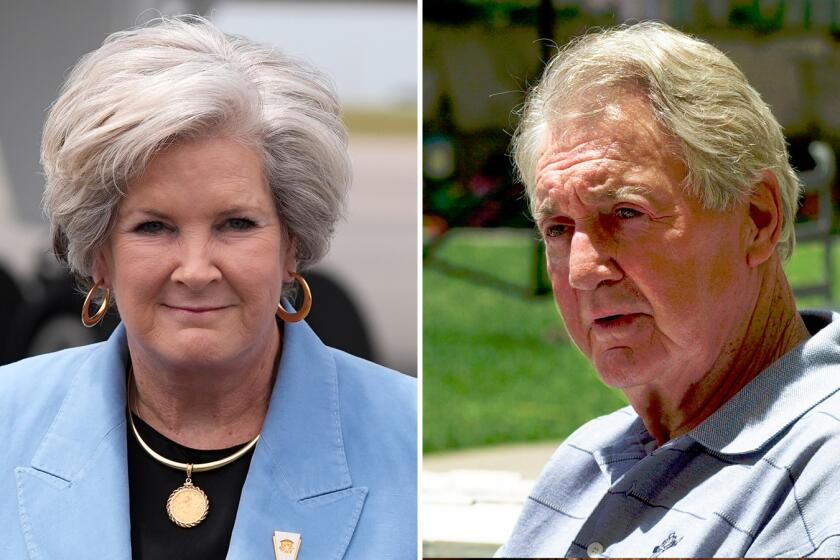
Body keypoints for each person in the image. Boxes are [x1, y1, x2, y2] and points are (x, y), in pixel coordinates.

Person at [0, 16, 416, 560]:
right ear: (100, 256)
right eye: (153, 227)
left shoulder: (409, 436)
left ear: (293, 245)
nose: (196, 270)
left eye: (236, 224)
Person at [497, 22, 840, 558]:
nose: (583, 269)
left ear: (757, 218)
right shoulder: (587, 457)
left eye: (625, 212)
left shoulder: (820, 475)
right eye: (559, 228)